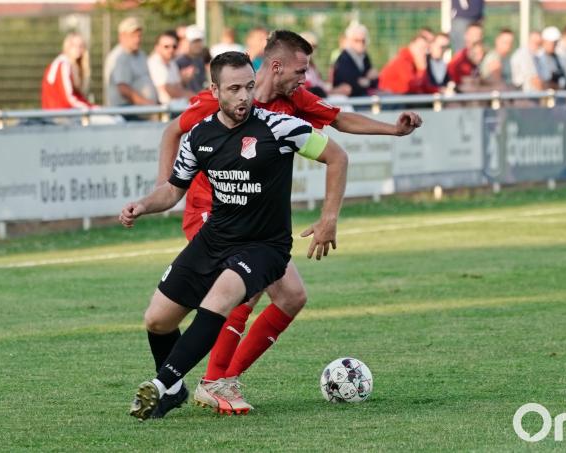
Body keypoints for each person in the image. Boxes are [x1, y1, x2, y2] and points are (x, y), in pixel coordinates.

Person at [153, 30, 422, 417]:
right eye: (300, 69)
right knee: (246, 286)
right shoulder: (218, 100)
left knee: (292, 296)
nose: (305, 78)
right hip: (211, 213)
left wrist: (394, 130)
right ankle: (215, 382)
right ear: (275, 66)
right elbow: (171, 131)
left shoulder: (293, 100)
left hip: (255, 221)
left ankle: (221, 378)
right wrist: (167, 186)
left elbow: (340, 120)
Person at [122, 51, 350, 421]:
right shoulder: (200, 135)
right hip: (215, 238)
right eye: (234, 89)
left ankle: (163, 384)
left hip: (265, 246)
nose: (244, 96)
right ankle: (176, 389)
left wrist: (329, 218)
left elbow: (337, 157)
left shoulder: (279, 127)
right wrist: (143, 205)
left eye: (248, 86)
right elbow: (173, 190)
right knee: (157, 320)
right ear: (215, 90)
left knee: (223, 296)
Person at [104, 17, 158, 109]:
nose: (137, 39)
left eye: (139, 35)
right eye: (133, 36)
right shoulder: (119, 57)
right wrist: (148, 105)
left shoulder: (141, 54)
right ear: (122, 36)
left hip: (142, 109)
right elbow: (124, 89)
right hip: (126, 111)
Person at [42, 32, 94, 110]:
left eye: (81, 46)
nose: (78, 49)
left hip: (66, 113)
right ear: (67, 46)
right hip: (59, 115)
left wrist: (92, 107)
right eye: (74, 45)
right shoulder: (63, 64)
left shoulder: (73, 66)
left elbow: (77, 96)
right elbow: (68, 99)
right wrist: (90, 108)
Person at [333, 22, 378, 97]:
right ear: (349, 40)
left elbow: (375, 80)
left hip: (364, 96)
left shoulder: (364, 57)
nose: (360, 44)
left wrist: (366, 81)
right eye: (356, 40)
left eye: (363, 41)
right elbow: (351, 86)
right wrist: (368, 80)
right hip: (350, 100)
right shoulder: (344, 59)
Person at [148, 30, 193, 104]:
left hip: (174, 106)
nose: (171, 49)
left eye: (174, 46)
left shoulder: (172, 63)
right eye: (166, 46)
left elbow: (178, 87)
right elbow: (169, 90)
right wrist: (194, 97)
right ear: (157, 47)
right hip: (162, 108)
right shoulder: (154, 62)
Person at [175, 26, 208, 93]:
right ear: (186, 42)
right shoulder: (179, 62)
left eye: (200, 41)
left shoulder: (200, 60)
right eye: (194, 42)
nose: (198, 45)